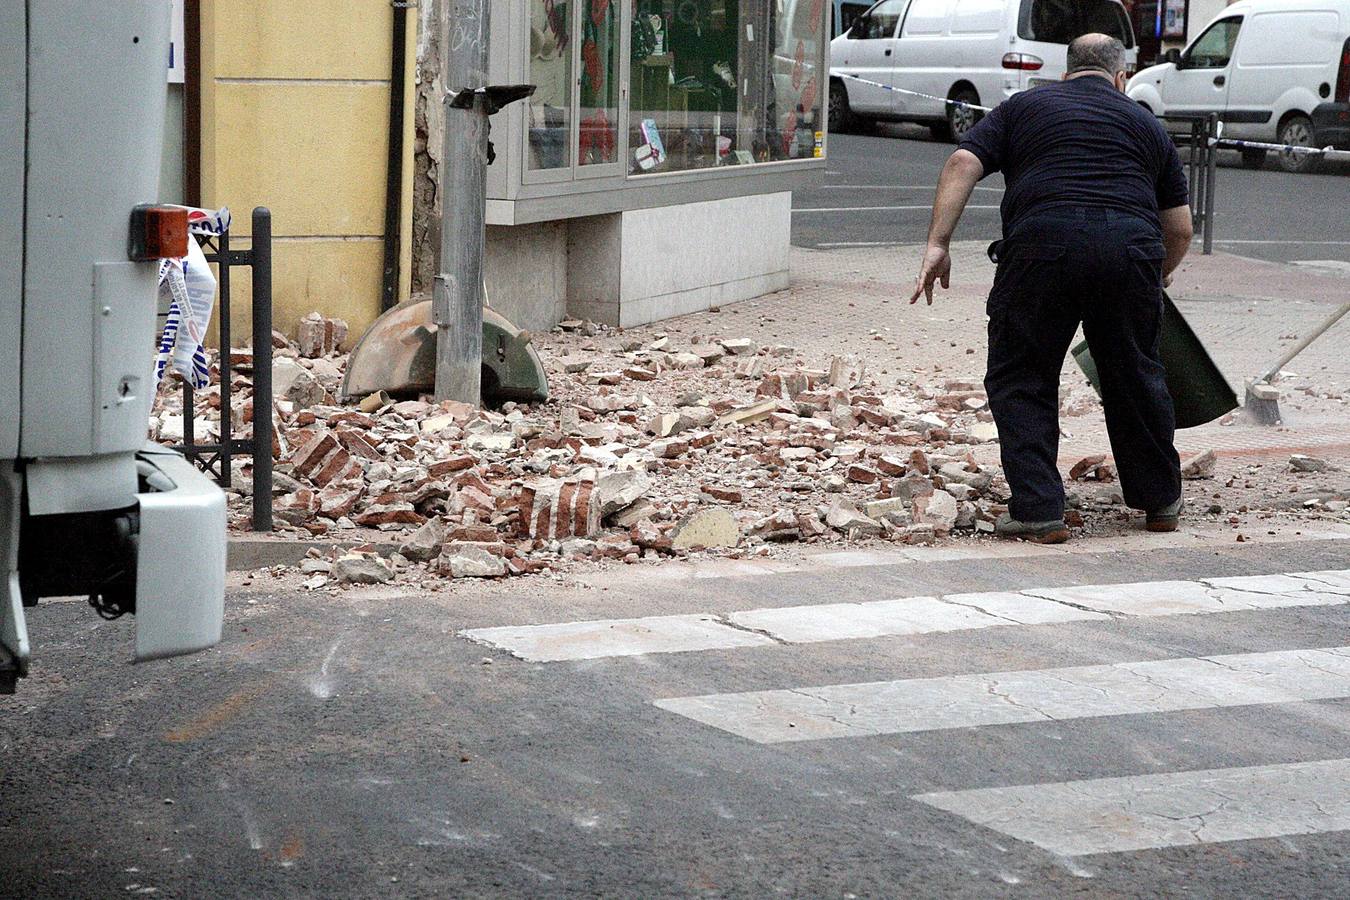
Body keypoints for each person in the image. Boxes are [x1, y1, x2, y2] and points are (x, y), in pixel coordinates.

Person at [909, 33, 1193, 544]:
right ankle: (1159, 500)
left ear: (1065, 73)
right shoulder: (1147, 125)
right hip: (1129, 252)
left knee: (1022, 372)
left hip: (1042, 250)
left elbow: (962, 163)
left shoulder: (1024, 106)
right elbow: (1179, 228)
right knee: (1135, 373)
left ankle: (1039, 508)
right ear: (1121, 77)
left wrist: (938, 244)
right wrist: (1157, 274)